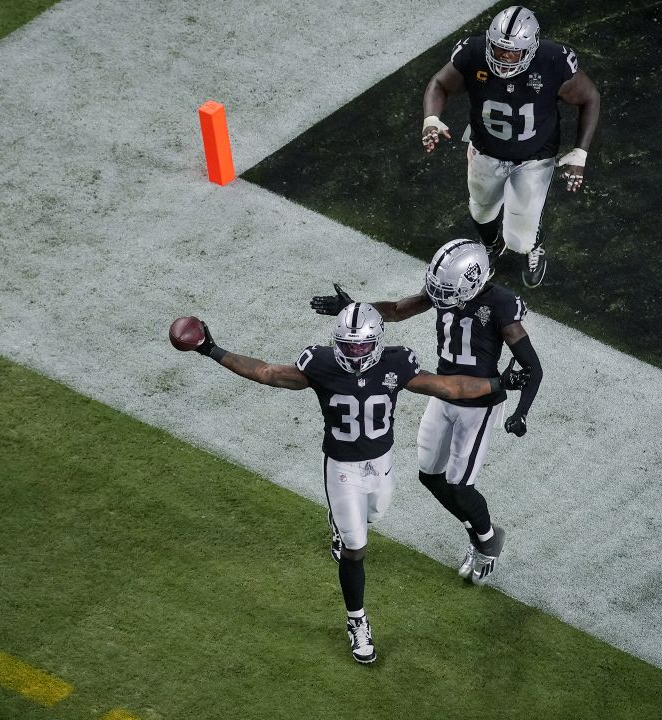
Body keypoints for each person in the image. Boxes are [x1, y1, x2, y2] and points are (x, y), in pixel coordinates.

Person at [183, 303, 524, 664]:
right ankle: (357, 621)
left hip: (381, 466)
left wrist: (500, 383)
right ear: (336, 342)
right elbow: (268, 373)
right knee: (356, 547)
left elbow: (449, 387)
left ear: (377, 342)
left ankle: (343, 527)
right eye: (347, 345)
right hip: (341, 469)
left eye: (362, 346)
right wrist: (210, 348)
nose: (354, 352)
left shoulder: (397, 363)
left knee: (373, 515)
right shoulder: (320, 363)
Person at [311, 239, 544, 586]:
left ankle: (487, 541)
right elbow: (397, 309)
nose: (438, 297)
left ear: (472, 280)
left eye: (446, 290)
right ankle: (475, 530)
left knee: (461, 486)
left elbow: (532, 367)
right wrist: (356, 309)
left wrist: (522, 411)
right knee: (429, 475)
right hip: (444, 391)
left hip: (479, 404)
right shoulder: (448, 291)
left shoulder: (500, 304)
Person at [421, 5, 601, 288]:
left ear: (530, 48)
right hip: (485, 147)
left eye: (512, 51)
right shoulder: (474, 52)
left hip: (534, 155)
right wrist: (431, 119)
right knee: (481, 210)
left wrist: (580, 152)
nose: (503, 56)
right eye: (497, 48)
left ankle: (535, 242)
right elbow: (440, 83)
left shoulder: (553, 61)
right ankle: (492, 247)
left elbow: (590, 97)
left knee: (521, 237)